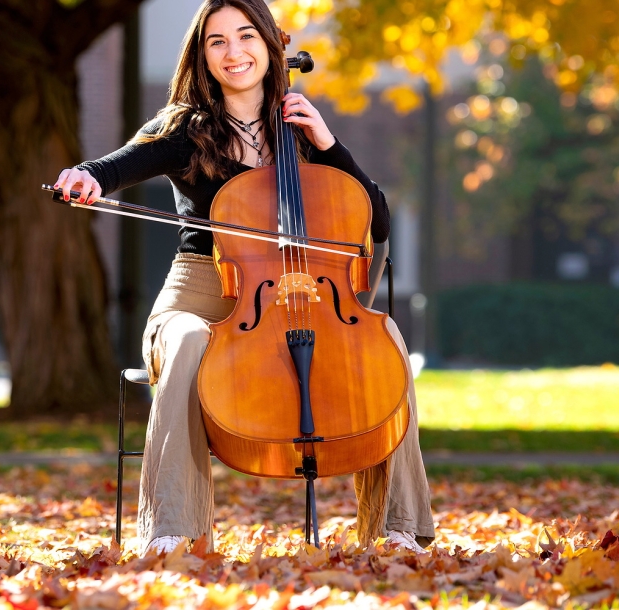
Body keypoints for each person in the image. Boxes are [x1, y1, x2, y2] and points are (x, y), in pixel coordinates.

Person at [54, 0, 434, 555]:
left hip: (294, 296)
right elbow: (120, 165)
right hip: (198, 293)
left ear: (270, 46)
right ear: (202, 55)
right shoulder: (185, 131)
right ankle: (174, 531)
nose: (234, 53)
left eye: (246, 36)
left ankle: (399, 527)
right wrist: (86, 175)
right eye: (217, 42)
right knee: (187, 338)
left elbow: (374, 220)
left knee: (387, 342)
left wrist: (329, 146)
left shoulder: (303, 133)